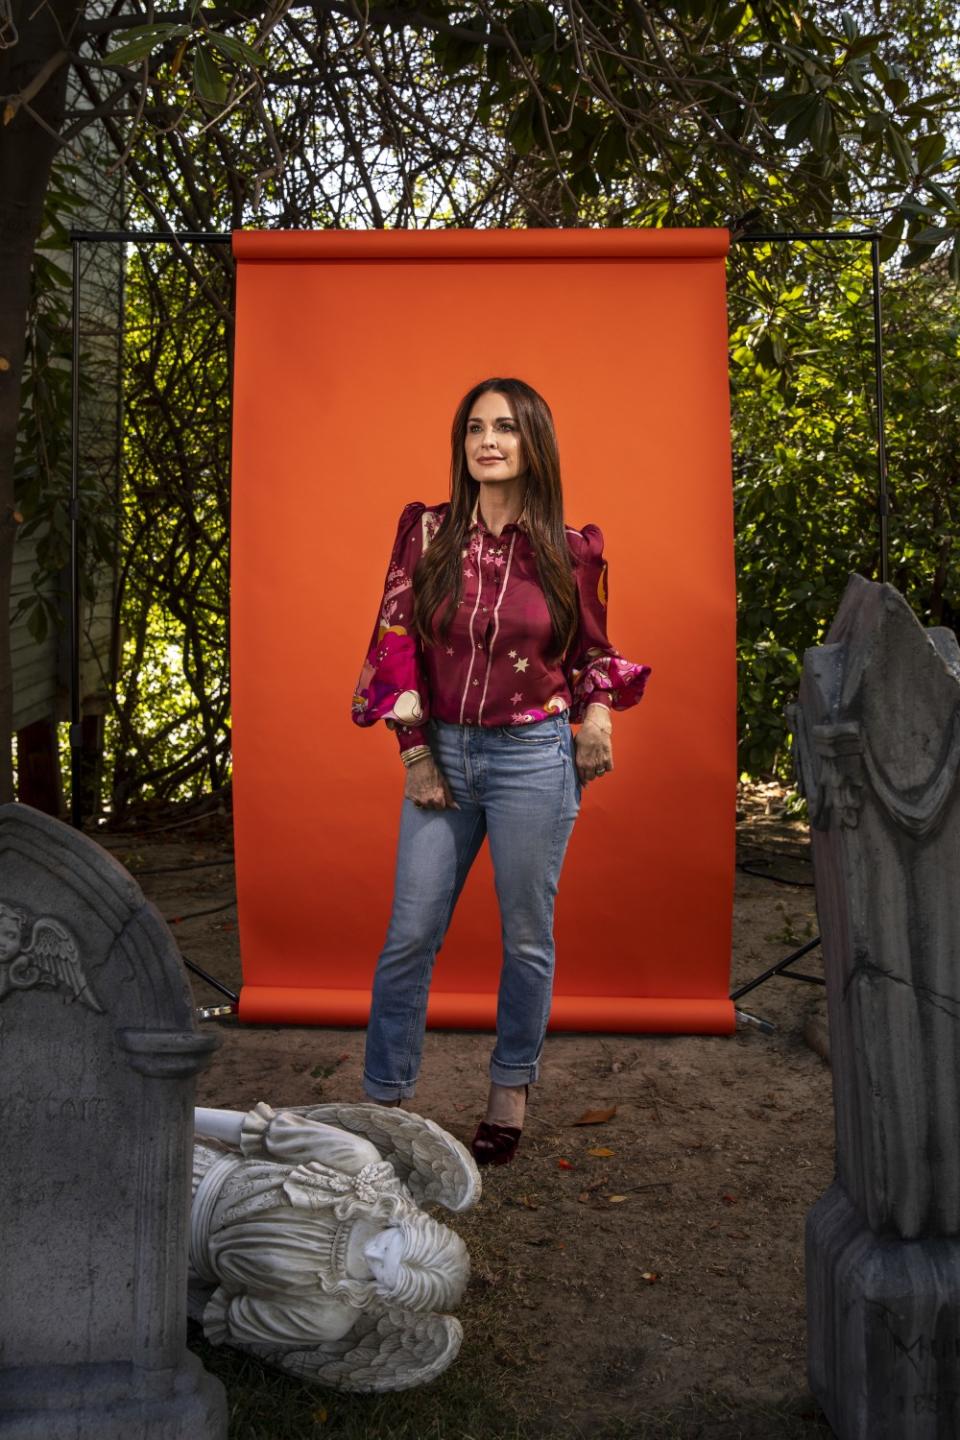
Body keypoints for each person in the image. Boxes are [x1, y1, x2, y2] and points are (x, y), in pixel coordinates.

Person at [351, 377, 651, 1165]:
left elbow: (591, 651)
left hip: (532, 759)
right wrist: (415, 753)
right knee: (410, 935)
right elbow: (395, 641)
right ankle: (383, 1101)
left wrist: (598, 715)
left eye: (507, 429)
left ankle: (509, 1090)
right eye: (476, 427)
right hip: (443, 752)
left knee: (526, 940)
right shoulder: (427, 533)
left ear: (533, 445)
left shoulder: (570, 548)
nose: (488, 440)